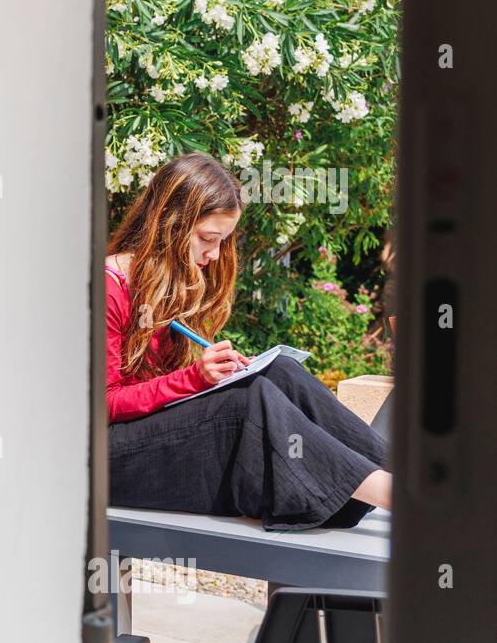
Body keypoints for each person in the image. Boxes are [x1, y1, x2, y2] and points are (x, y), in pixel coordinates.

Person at [106, 152, 390, 531]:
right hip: (107, 456)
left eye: (222, 241)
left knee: (279, 372)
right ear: (170, 225)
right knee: (248, 401)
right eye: (207, 239)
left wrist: (220, 375)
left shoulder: (167, 283)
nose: (214, 254)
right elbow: (102, 404)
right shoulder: (109, 287)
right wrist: (193, 379)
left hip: (144, 436)